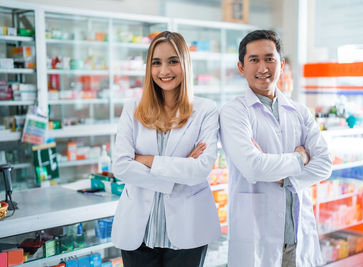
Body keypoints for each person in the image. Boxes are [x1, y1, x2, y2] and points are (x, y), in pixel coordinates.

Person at [219, 30, 332, 267]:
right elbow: (254, 167)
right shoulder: (234, 112)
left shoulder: (299, 112)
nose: (263, 67)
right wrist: (300, 158)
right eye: (254, 59)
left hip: (297, 235)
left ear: (281, 64)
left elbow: (324, 164)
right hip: (257, 237)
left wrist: (283, 178)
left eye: (269, 58)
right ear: (241, 67)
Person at [111, 31, 221, 267]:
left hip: (188, 230)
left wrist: (146, 159)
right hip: (138, 232)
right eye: (156, 63)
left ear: (185, 64)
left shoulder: (206, 110)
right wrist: (177, 174)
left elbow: (200, 170)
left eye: (173, 61)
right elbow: (120, 166)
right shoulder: (133, 108)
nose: (164, 71)